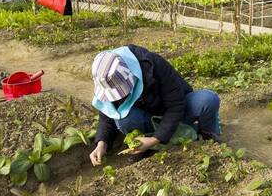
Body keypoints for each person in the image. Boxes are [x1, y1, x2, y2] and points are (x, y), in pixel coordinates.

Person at [88, 46, 221, 166]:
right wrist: (102, 143)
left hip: (176, 110)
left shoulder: (152, 64)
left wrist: (154, 139)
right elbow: (108, 113)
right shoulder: (107, 79)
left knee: (207, 100)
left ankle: (206, 135)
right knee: (123, 119)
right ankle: (145, 148)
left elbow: (176, 105)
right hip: (147, 118)